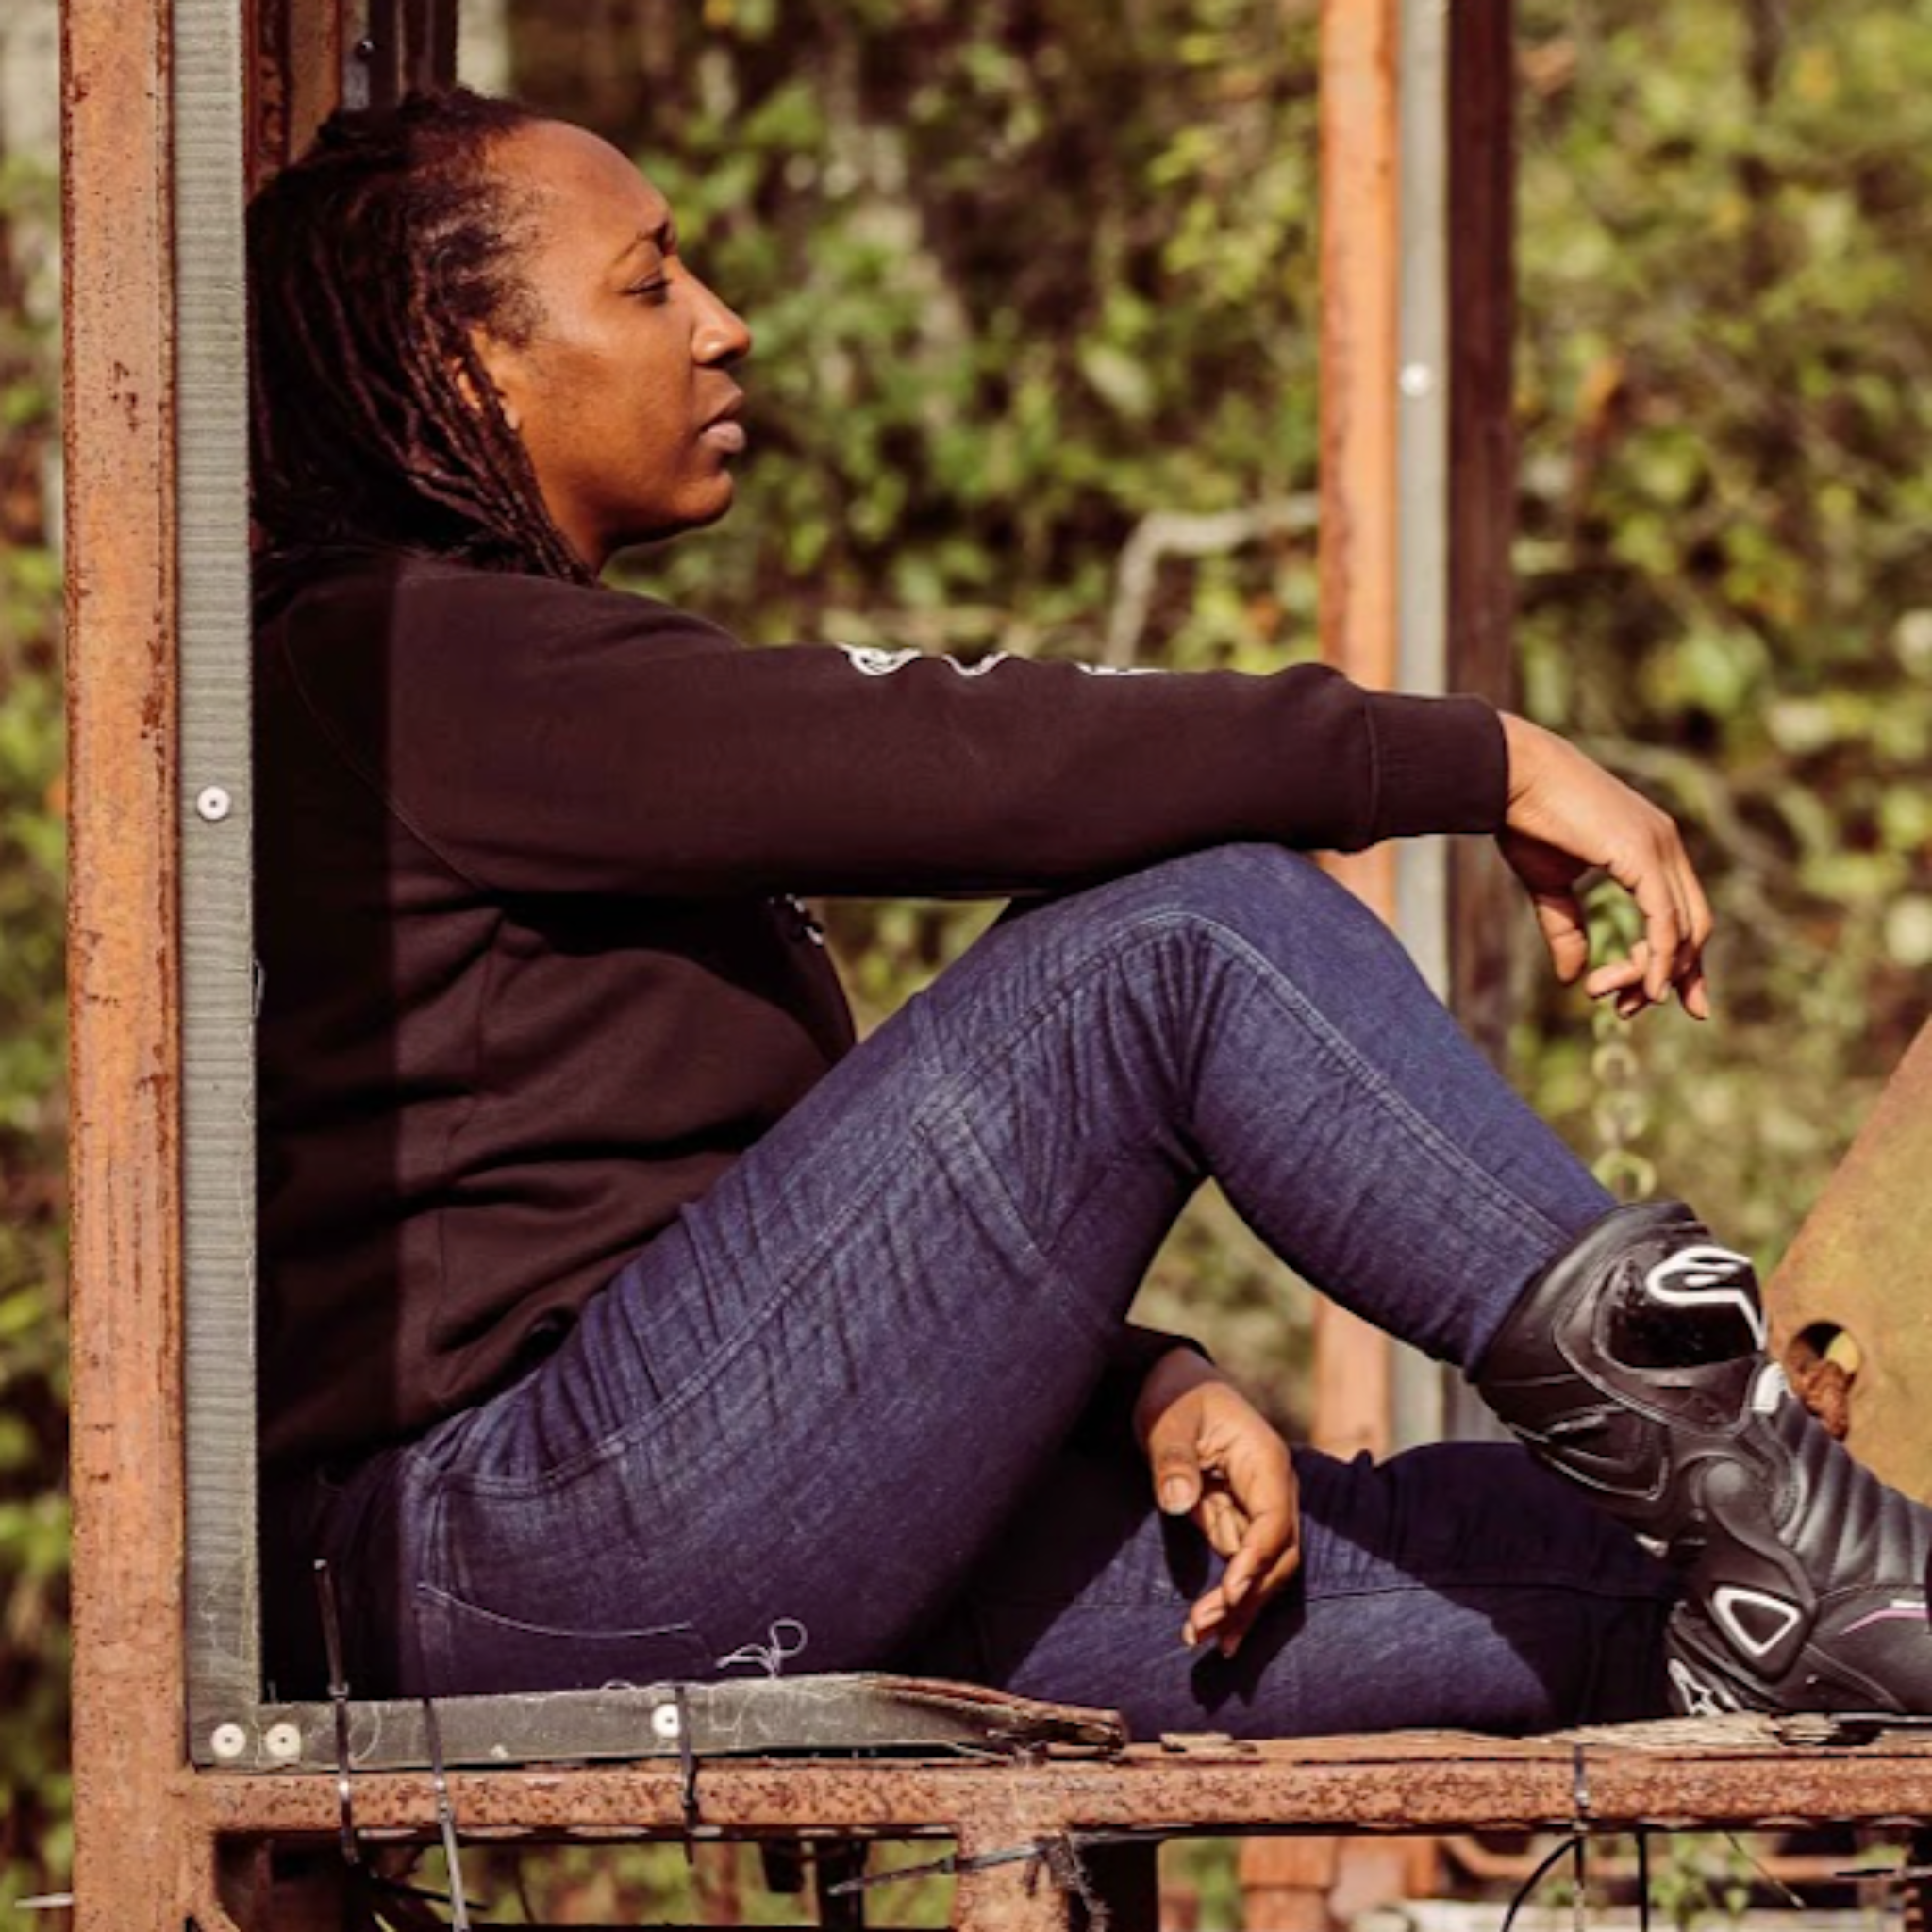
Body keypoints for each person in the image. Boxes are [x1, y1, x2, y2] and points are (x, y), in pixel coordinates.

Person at [246, 88, 1932, 1736]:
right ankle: (1791, 1503)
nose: (724, 323)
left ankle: (1824, 1586)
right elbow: (968, 756)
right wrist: (1466, 756)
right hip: (515, 1546)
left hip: (679, 1528)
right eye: (650, 281)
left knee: (1617, 1583)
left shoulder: (492, 694)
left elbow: (713, 1246)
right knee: (1186, 936)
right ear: (467, 359)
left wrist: (1137, 1377)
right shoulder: (404, 663)